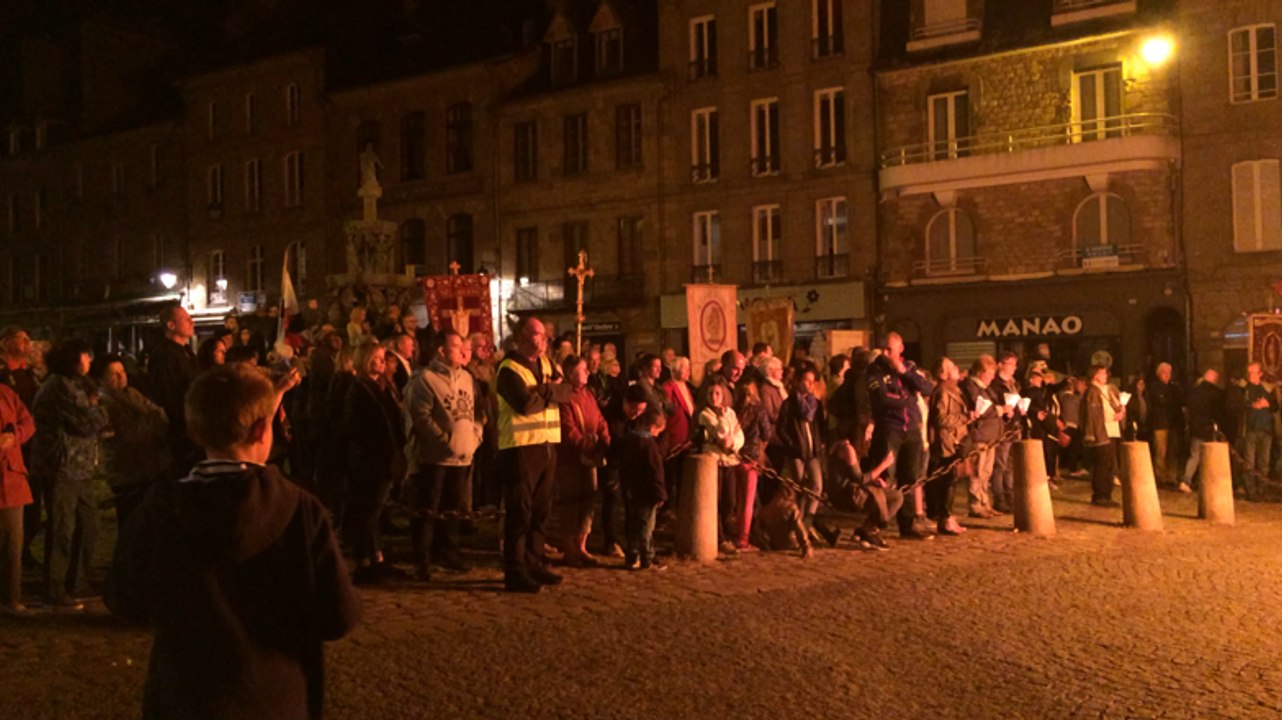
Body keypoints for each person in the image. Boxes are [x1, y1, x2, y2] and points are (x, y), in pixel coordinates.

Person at [106, 363, 360, 720]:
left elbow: (125, 599)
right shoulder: (301, 511)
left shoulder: (160, 508)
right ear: (261, 429)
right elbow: (339, 617)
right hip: (276, 698)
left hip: (187, 697)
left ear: (194, 429)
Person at [31, 339, 110, 610]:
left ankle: (77, 581)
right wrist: (97, 409)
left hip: (81, 466)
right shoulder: (59, 386)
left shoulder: (76, 385)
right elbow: (85, 422)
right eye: (85, 356)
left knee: (88, 525)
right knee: (62, 528)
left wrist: (93, 407)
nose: (89, 361)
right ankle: (54, 588)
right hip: (62, 467)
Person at [495, 317, 572, 593]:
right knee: (521, 511)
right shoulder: (508, 368)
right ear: (523, 337)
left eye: (545, 336)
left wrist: (545, 390)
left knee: (541, 511)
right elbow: (524, 404)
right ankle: (515, 570)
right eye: (538, 335)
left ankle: (534, 561)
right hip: (521, 447)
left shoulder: (548, 364)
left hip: (547, 444)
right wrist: (550, 392)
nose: (544, 340)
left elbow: (567, 391)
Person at [403, 330, 483, 581]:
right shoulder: (425, 380)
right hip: (434, 458)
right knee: (429, 509)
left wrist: (474, 437)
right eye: (456, 346)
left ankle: (449, 552)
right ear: (441, 350)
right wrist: (443, 441)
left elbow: (476, 412)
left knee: (453, 508)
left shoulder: (468, 378)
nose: (461, 351)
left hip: (463, 456)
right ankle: (423, 558)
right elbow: (421, 416)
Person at [342, 340, 407, 584]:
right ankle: (365, 561)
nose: (382, 362)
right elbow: (354, 425)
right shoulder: (358, 388)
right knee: (368, 510)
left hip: (384, 457)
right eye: (378, 358)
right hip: (369, 459)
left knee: (375, 511)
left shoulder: (380, 387)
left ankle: (376, 557)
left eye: (383, 358)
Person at [866, 332, 936, 539]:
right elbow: (881, 399)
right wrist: (907, 400)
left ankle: (908, 525)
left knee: (910, 477)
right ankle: (875, 524)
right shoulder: (874, 369)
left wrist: (903, 372)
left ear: (900, 349)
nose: (887, 353)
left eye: (890, 349)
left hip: (911, 428)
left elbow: (926, 388)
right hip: (889, 429)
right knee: (884, 478)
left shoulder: (910, 368)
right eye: (884, 349)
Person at [94, 355, 171, 529]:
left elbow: (160, 416)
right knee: (130, 520)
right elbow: (129, 434)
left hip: (149, 466)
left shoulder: (132, 393)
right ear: (101, 379)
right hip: (126, 470)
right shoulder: (104, 404)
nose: (121, 377)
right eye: (114, 374)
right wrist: (151, 419)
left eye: (122, 372)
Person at [553, 354, 610, 567]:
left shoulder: (588, 395)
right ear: (570, 374)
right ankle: (569, 548)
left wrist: (604, 439)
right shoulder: (564, 397)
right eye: (582, 369)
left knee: (588, 500)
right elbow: (568, 429)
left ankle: (582, 545)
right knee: (571, 502)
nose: (587, 373)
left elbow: (600, 419)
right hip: (571, 458)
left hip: (591, 457)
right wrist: (587, 445)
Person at [775, 366, 839, 547]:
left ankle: (807, 521)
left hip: (813, 452)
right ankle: (797, 527)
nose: (811, 385)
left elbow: (820, 425)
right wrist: (792, 445)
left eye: (813, 381)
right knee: (801, 485)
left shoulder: (815, 404)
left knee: (816, 485)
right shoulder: (789, 404)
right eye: (807, 381)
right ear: (798, 382)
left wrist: (820, 443)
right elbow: (781, 427)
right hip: (797, 452)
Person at [1, 326, 42, 570]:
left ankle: (23, 552)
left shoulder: (30, 375)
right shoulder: (4, 378)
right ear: (6, 343)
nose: (28, 343)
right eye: (22, 339)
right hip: (10, 451)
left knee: (33, 507)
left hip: (29, 445)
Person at [146, 304, 199, 474]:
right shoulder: (164, 355)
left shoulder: (187, 352)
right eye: (186, 319)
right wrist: (182, 423)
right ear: (171, 325)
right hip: (180, 428)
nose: (192, 322)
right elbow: (168, 394)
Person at [697, 379, 745, 554]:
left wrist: (733, 444)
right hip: (714, 461)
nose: (714, 397)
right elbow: (720, 432)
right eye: (711, 393)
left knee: (730, 499)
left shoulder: (730, 412)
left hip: (730, 460)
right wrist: (727, 431)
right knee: (715, 500)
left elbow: (739, 435)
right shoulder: (705, 414)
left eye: (717, 393)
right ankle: (720, 537)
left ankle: (727, 531)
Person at [0, 380, 35, 615]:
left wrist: (14, 436)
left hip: (10, 478)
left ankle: (11, 598)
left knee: (12, 544)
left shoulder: (6, 393)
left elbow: (28, 422)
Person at [619, 407, 667, 570]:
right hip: (647, 493)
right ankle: (647, 558)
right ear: (653, 427)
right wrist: (660, 494)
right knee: (646, 527)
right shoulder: (650, 446)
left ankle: (632, 557)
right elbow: (656, 471)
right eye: (659, 431)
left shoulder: (629, 441)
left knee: (631, 524)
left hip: (631, 490)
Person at [927, 358, 968, 536]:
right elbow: (940, 419)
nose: (956, 369)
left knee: (951, 479)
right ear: (944, 373)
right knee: (947, 479)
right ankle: (945, 517)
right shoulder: (943, 391)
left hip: (954, 439)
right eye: (952, 367)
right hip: (946, 441)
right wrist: (964, 419)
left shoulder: (954, 389)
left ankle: (947, 516)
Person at [962, 355, 1003, 518]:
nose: (992, 378)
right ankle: (976, 505)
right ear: (980, 372)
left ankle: (985, 503)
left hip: (990, 435)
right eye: (989, 373)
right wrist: (999, 410)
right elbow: (983, 408)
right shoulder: (971, 386)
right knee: (977, 472)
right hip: (979, 434)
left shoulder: (986, 387)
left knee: (986, 472)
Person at [732, 381, 768, 551]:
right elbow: (766, 433)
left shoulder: (734, 408)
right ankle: (743, 538)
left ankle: (737, 532)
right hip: (750, 457)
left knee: (737, 499)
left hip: (734, 456)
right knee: (747, 501)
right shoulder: (759, 409)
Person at [1082, 364, 1124, 507]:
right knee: (1102, 465)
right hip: (1101, 432)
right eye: (1102, 373)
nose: (1105, 376)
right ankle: (1100, 495)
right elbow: (1093, 414)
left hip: (1110, 430)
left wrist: (1120, 411)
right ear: (1095, 375)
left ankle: (1107, 494)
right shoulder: (1093, 392)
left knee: (1109, 464)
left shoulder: (1106, 390)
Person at [1182, 368, 1225, 493]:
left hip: (1196, 427)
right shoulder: (1216, 393)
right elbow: (1218, 412)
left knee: (1194, 455)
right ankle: (1210, 481)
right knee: (1210, 456)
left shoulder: (1194, 392)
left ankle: (1186, 480)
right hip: (1209, 428)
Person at [990, 351, 1022, 513]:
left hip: (1014, 427)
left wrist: (1020, 409)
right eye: (1011, 364)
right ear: (1001, 364)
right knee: (1000, 464)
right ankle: (999, 498)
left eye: (1015, 364)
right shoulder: (995, 384)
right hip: (1002, 428)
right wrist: (1004, 412)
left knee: (1010, 465)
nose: (1014, 368)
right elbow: (993, 406)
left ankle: (1011, 496)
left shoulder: (1013, 384)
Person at [662, 356, 696, 504]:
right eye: (685, 368)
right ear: (675, 369)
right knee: (670, 474)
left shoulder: (686, 387)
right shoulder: (668, 388)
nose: (689, 371)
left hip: (686, 437)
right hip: (674, 437)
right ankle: (667, 507)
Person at [1240, 361, 1276, 500]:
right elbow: (1239, 404)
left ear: (1260, 374)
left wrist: (1268, 404)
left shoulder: (1267, 389)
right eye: (1249, 372)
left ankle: (1261, 491)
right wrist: (1252, 405)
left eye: (1253, 372)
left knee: (1264, 463)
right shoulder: (1245, 389)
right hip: (1250, 430)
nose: (1251, 375)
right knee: (1249, 463)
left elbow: (1275, 406)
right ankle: (1251, 492)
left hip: (1266, 430)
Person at [1146, 362, 1184, 486]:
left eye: (1169, 372)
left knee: (1173, 451)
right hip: (1160, 423)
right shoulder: (1154, 387)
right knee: (1161, 451)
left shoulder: (1174, 388)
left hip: (1173, 423)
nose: (1168, 375)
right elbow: (1159, 403)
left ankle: (1171, 475)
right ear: (1159, 374)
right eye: (1165, 372)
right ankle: (1160, 476)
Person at [753, 484, 813, 558]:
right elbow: (799, 528)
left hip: (775, 545)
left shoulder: (764, 510)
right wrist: (806, 546)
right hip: (792, 545)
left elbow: (757, 532)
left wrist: (766, 546)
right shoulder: (791, 508)